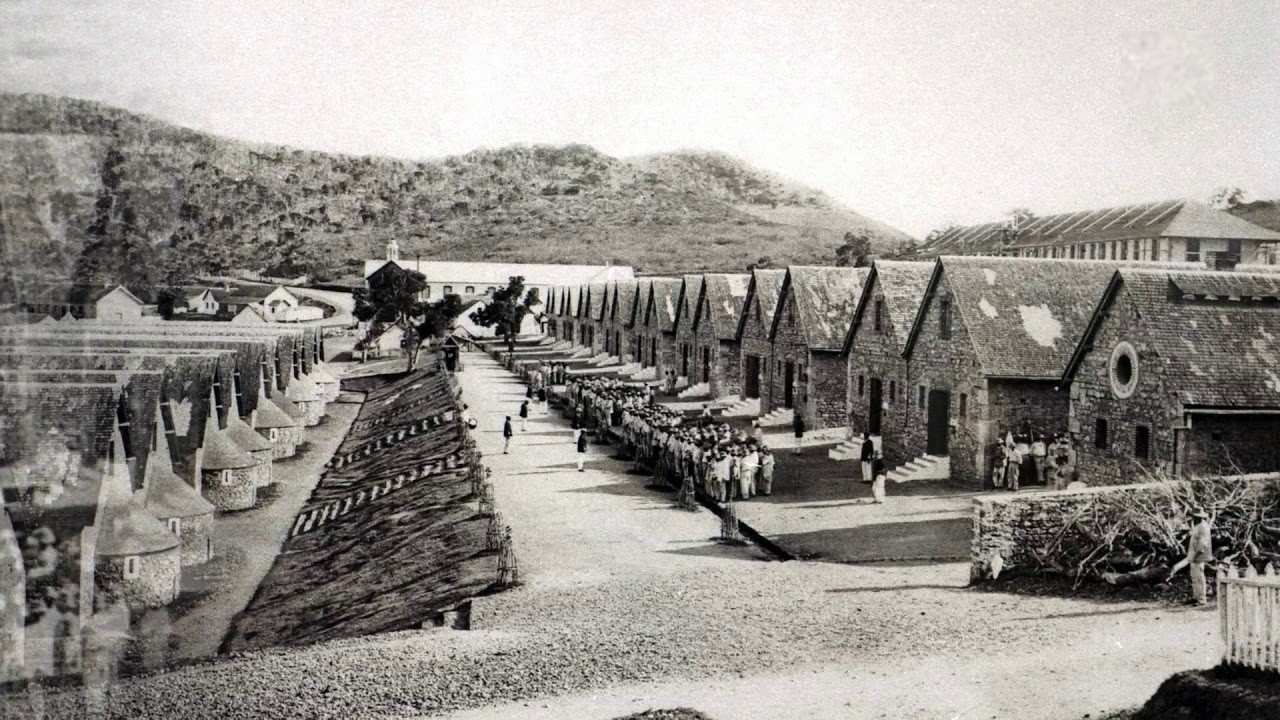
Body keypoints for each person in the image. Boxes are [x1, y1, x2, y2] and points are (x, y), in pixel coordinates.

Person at [1168, 508, 1213, 605]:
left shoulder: (1203, 527)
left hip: (1199, 555)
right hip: (1193, 555)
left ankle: (1201, 599)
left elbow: (1202, 544)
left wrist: (1196, 554)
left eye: (1195, 517)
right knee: (1194, 577)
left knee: (1199, 577)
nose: (1193, 518)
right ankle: (1196, 597)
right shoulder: (1198, 526)